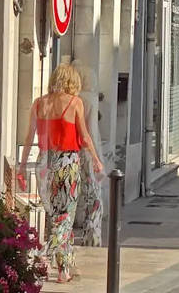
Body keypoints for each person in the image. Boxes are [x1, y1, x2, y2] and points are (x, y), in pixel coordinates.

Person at [20, 63, 103, 284]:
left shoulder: (39, 104)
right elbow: (84, 137)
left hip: (44, 164)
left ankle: (64, 270)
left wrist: (21, 167)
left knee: (56, 217)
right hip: (67, 163)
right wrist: (96, 160)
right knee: (66, 218)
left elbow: (29, 137)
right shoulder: (75, 103)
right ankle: (42, 255)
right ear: (72, 81)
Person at [73, 63, 104, 246]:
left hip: (70, 151)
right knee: (94, 193)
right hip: (87, 150)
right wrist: (96, 156)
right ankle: (92, 234)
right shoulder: (90, 99)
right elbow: (91, 131)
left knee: (77, 192)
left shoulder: (72, 98)